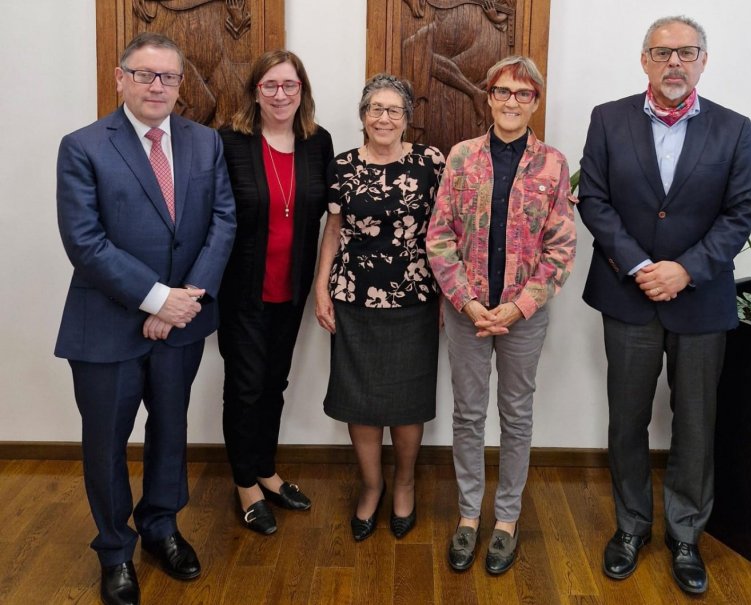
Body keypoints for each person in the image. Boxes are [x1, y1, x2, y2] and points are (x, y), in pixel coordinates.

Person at [577, 16, 751, 595]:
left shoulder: (734, 129)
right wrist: (640, 267)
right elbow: (595, 200)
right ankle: (631, 527)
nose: (674, 63)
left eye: (686, 52)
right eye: (662, 53)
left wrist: (686, 270)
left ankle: (686, 535)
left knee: (696, 424)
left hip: (701, 301)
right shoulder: (609, 119)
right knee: (627, 419)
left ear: (703, 60)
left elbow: (741, 210)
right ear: (644, 61)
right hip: (627, 297)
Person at [55, 32, 236, 605]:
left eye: (169, 77)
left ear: (182, 85)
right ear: (120, 78)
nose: (158, 86)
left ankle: (161, 526)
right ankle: (114, 550)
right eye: (145, 74)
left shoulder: (205, 142)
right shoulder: (83, 146)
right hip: (107, 324)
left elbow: (223, 221)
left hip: (182, 321)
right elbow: (85, 242)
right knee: (106, 441)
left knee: (170, 430)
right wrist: (157, 299)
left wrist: (186, 299)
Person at [426, 55, 576, 575]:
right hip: (466, 311)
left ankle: (506, 519)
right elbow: (439, 237)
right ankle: (469, 516)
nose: (511, 101)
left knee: (516, 415)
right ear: (488, 97)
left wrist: (516, 307)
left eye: (523, 94)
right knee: (468, 414)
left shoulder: (553, 164)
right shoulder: (461, 157)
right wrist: (468, 302)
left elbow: (560, 251)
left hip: (523, 316)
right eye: (502, 92)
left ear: (535, 102)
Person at [314, 73, 443, 542]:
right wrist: (321, 286)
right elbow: (334, 230)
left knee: (408, 404)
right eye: (375, 109)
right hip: (354, 299)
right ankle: (372, 487)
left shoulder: (431, 162)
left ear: (407, 118)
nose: (383, 118)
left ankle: (405, 484)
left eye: (394, 110)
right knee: (361, 403)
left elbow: (447, 233)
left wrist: (451, 294)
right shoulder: (343, 165)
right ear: (363, 115)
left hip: (415, 299)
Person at [217, 50, 333, 535]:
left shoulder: (316, 142)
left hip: (292, 289)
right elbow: (215, 216)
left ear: (301, 91)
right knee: (244, 389)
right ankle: (244, 483)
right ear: (255, 92)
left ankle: (266, 469)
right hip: (242, 290)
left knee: (274, 385)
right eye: (270, 85)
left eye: (290, 85)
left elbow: (331, 214)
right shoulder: (229, 142)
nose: (280, 94)